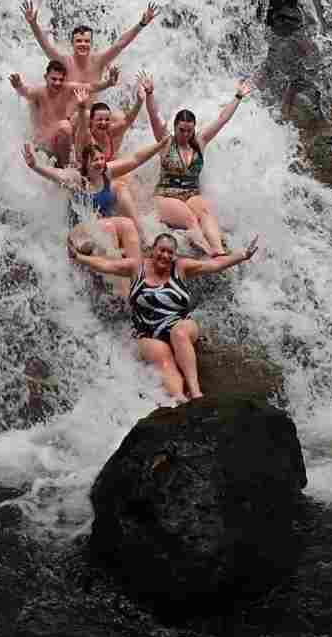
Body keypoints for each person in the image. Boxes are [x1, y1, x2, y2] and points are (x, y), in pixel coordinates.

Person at [67, 229, 261, 401]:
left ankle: (195, 393)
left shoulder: (182, 267)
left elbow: (214, 265)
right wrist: (78, 257)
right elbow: (106, 265)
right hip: (147, 332)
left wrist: (243, 255)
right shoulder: (136, 267)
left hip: (180, 324)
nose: (165, 255)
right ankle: (180, 400)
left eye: (170, 252)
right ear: (153, 250)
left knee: (179, 333)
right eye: (162, 250)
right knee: (164, 358)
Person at [22, 115, 171, 296]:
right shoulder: (77, 179)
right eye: (95, 160)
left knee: (127, 224)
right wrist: (35, 166)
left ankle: (139, 281)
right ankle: (124, 295)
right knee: (107, 228)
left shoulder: (106, 173)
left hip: (103, 228)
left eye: (101, 158)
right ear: (86, 163)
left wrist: (159, 145)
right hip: (79, 233)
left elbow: (135, 159)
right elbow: (56, 174)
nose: (100, 163)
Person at [147, 77, 253, 255]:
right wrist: (150, 94)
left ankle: (219, 252)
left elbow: (222, 119)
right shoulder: (165, 141)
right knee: (190, 219)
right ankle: (209, 252)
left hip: (191, 194)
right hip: (165, 196)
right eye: (182, 130)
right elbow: (153, 117)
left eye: (189, 130)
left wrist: (238, 96)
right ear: (175, 127)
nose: (186, 134)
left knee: (205, 211)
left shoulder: (200, 142)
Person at [21, 0, 158, 126]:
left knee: (120, 119)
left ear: (91, 43)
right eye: (79, 41)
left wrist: (141, 24)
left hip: (90, 118)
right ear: (72, 44)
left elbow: (120, 44)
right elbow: (46, 45)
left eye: (86, 41)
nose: (83, 44)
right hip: (67, 119)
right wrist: (33, 24)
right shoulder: (64, 61)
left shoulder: (99, 60)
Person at [72, 70, 152, 221]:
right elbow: (82, 127)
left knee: (130, 180)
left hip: (105, 174)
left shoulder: (111, 132)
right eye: (99, 120)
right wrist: (82, 107)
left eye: (107, 120)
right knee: (121, 186)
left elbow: (127, 121)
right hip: (88, 179)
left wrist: (140, 101)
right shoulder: (86, 136)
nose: (103, 123)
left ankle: (143, 216)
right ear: (92, 121)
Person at [8, 59, 117, 166]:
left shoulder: (67, 88)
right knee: (65, 126)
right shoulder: (39, 92)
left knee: (86, 115)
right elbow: (26, 92)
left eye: (61, 79)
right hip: (44, 143)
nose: (57, 83)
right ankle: (65, 167)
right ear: (46, 78)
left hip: (62, 136)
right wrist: (18, 86)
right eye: (54, 79)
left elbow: (90, 87)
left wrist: (108, 83)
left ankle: (85, 158)